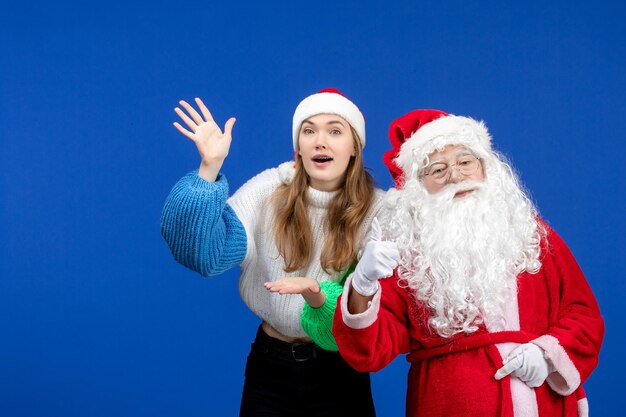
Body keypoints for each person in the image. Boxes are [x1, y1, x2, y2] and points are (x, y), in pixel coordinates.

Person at [333, 109, 604, 417]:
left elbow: (583, 315)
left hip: (543, 403)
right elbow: (369, 352)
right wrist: (363, 283)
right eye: (438, 170)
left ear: (486, 167)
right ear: (417, 188)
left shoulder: (531, 234)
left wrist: (547, 356)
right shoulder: (408, 257)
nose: (455, 176)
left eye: (465, 162)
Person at [160, 88, 385, 417]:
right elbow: (201, 253)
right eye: (309, 131)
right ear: (298, 147)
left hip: (340, 370)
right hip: (271, 365)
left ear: (355, 147)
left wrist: (317, 295)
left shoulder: (378, 211)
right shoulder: (268, 192)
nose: (320, 141)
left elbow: (366, 312)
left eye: (335, 131)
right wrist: (208, 169)